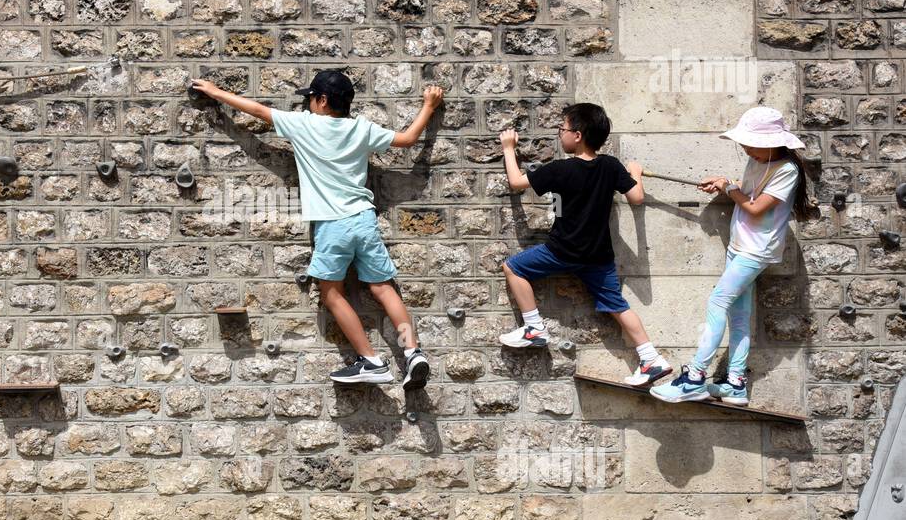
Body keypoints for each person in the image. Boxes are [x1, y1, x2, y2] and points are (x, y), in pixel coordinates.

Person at [190, 69, 442, 389]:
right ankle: (412, 351)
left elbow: (256, 110)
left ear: (322, 101)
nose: (307, 104)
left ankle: (371, 360)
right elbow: (406, 140)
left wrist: (215, 92)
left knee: (331, 292)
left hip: (332, 225)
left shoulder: (305, 125)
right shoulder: (361, 129)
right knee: (383, 289)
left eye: (310, 98)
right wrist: (429, 106)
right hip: (364, 220)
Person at [652, 107, 816, 406]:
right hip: (740, 246)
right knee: (738, 315)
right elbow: (748, 195)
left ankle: (695, 378)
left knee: (717, 301)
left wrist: (729, 188)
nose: (744, 148)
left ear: (769, 143)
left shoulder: (787, 171)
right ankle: (735, 383)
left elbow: (755, 208)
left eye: (748, 142)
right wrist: (725, 184)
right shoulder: (759, 160)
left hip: (756, 251)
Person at [499, 103, 671, 386]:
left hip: (562, 250)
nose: (559, 134)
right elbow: (636, 198)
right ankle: (651, 359)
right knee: (617, 305)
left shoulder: (559, 169)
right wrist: (636, 172)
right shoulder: (611, 166)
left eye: (562, 129)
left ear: (577, 135)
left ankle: (533, 327)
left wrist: (508, 147)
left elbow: (517, 182)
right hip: (598, 256)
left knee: (514, 268)